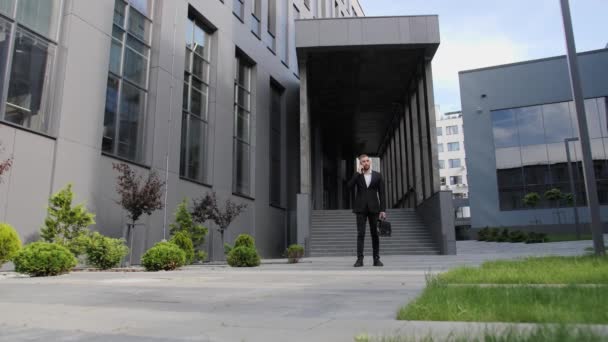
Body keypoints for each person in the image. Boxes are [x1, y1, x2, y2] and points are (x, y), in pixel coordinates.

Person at [347, 154, 386, 267]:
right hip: (360, 208)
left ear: (370, 162)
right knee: (361, 234)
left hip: (374, 209)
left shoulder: (377, 176)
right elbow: (349, 187)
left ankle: (376, 259)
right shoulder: (357, 176)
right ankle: (360, 259)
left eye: (367, 161)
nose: (366, 163)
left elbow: (382, 194)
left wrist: (383, 209)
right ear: (360, 163)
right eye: (363, 161)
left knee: (375, 234)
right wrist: (356, 174)